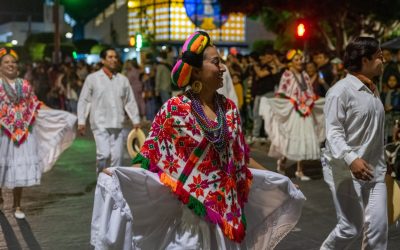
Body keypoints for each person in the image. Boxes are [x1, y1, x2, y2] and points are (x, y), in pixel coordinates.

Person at [90, 31, 305, 249]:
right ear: (196, 71)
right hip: (191, 223)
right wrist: (119, 175)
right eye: (216, 62)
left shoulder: (229, 109)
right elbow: (150, 155)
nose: (223, 68)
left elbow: (240, 158)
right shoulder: (175, 109)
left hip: (227, 217)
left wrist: (279, 179)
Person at [321, 37, 387, 249]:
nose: (383, 60)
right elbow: (333, 133)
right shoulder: (340, 91)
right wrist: (352, 159)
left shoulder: (373, 90)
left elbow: (374, 132)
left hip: (375, 170)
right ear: (365, 60)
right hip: (343, 170)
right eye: (379, 56)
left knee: (378, 229)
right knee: (350, 227)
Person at [0, 48, 76, 219]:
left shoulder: (24, 85)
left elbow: (35, 104)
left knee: (18, 168)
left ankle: (17, 204)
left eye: (13, 62)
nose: (10, 65)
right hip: (2, 133)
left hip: (21, 133)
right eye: (6, 62)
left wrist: (61, 115)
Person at [259, 49, 325, 181]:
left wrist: (311, 99)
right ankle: (282, 163)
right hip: (293, 111)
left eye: (300, 59)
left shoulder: (305, 75)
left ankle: (299, 171)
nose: (300, 62)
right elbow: (282, 92)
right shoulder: (288, 75)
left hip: (304, 111)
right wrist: (290, 101)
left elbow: (309, 91)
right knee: (289, 139)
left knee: (302, 139)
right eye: (296, 60)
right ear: (291, 62)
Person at [77, 48, 141, 174]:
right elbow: (84, 100)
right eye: (110, 57)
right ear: (102, 60)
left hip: (117, 123)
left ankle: (114, 186)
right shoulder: (92, 79)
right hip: (99, 123)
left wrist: (136, 120)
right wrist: (81, 121)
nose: (114, 60)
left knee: (118, 158)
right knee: (104, 155)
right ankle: (102, 179)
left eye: (115, 57)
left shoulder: (123, 80)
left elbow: (130, 101)